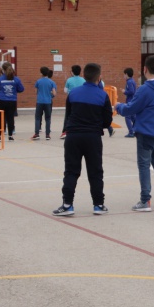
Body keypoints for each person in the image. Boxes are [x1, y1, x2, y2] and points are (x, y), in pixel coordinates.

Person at [116, 55, 154, 212]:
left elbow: (131, 108)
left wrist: (118, 106)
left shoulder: (144, 89)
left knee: (144, 165)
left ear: (145, 69)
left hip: (146, 132)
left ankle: (145, 200)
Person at [53, 63, 114, 216]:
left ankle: (67, 204)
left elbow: (68, 115)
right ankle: (98, 204)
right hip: (93, 137)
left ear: (84, 76)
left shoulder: (73, 93)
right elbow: (107, 121)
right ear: (99, 77)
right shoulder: (102, 95)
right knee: (95, 172)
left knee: (71, 171)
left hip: (73, 136)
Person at [0, 63, 24, 141]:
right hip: (12, 100)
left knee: (0, 118)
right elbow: (21, 89)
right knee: (10, 118)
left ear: (3, 70)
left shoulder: (0, 79)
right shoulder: (16, 79)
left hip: (2, 100)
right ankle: (10, 135)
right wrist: (14, 90)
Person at [33, 67, 56, 140]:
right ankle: (47, 135)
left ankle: (37, 134)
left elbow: (36, 92)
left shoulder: (38, 81)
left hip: (40, 101)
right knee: (48, 118)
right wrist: (50, 96)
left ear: (41, 73)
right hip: (48, 101)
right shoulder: (51, 82)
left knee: (38, 118)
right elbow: (54, 93)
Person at [61, 64, 84, 140]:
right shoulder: (83, 80)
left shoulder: (69, 80)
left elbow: (65, 90)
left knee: (68, 115)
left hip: (71, 98)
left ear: (72, 72)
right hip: (81, 99)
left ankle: (65, 131)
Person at [124, 67, 140, 137]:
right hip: (133, 100)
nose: (123, 76)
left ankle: (131, 132)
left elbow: (131, 91)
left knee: (127, 116)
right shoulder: (132, 81)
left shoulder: (129, 82)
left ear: (126, 74)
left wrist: (125, 92)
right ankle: (136, 130)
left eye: (124, 74)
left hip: (130, 100)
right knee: (133, 117)